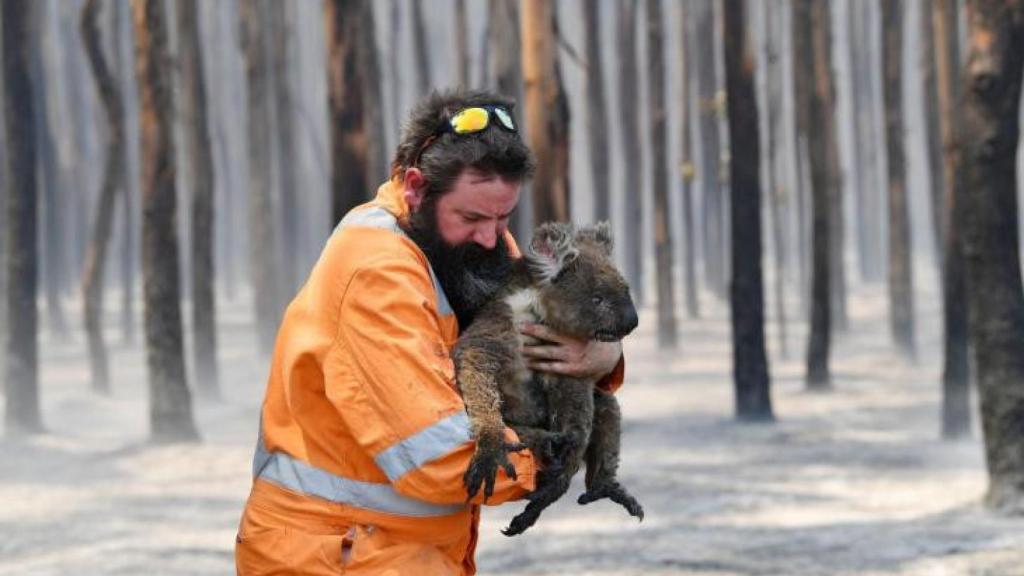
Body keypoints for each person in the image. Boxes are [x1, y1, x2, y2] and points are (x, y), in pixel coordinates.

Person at [235, 90, 626, 575]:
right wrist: (560, 451)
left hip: (398, 552)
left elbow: (547, 332)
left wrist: (604, 357)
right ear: (417, 188)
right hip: (335, 556)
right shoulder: (375, 273)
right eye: (473, 217)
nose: (493, 236)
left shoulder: (465, 247)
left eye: (504, 217)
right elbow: (438, 458)